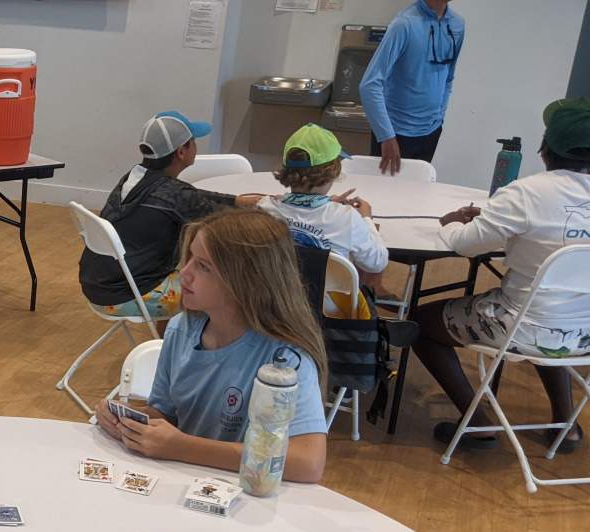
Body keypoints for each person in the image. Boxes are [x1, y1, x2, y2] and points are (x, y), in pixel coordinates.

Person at [94, 210, 329, 482]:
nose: (185, 272)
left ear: (247, 282)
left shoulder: (286, 361)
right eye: (190, 258)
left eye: (204, 266)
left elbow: (308, 463)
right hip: (184, 480)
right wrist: (126, 420)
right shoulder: (181, 328)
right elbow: (165, 416)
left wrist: (184, 448)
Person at [412, 98, 590, 451]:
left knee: (421, 322)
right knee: (550, 311)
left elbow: (466, 245)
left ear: (544, 149)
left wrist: (450, 224)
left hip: (522, 327)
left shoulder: (527, 193)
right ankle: (566, 426)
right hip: (583, 334)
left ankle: (477, 423)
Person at [79, 111, 261, 321]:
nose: (196, 146)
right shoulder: (176, 195)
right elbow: (219, 218)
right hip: (129, 294)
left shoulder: (134, 177)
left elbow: (193, 197)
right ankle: (194, 347)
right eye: (193, 141)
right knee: (232, 290)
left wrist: (237, 201)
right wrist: (251, 209)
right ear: (182, 151)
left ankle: (171, 335)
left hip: (100, 285)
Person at [259, 123, 390, 291]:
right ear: (333, 172)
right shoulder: (347, 218)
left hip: (275, 303)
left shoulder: (264, 210)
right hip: (330, 311)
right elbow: (377, 262)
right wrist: (367, 218)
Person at [359, 0, 466, 175]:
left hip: (431, 131)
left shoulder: (457, 24)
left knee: (416, 195)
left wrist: (439, 116)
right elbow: (369, 85)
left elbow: (448, 77)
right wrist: (386, 136)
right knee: (385, 196)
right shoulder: (404, 24)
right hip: (396, 134)